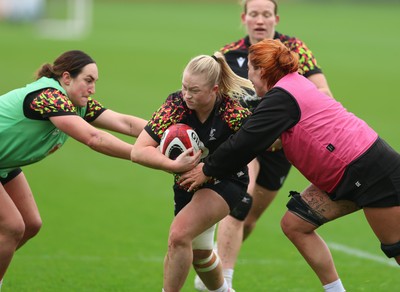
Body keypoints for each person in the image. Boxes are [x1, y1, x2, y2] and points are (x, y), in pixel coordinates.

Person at [179, 39, 400, 292]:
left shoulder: (282, 97)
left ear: (261, 71)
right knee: (295, 225)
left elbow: (245, 143)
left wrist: (206, 170)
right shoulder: (292, 86)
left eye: (250, 69)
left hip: (370, 171)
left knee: (396, 249)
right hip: (345, 174)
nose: (247, 76)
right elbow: (269, 138)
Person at [194, 0, 334, 290]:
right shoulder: (228, 54)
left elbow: (323, 91)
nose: (260, 20)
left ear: (276, 18)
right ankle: (222, 283)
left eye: (266, 14)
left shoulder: (294, 49)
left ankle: (215, 262)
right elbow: (207, 95)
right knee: (239, 202)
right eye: (254, 14)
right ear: (245, 18)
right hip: (244, 141)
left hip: (281, 147)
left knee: (251, 217)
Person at [0, 50, 147, 289]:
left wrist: (168, 131)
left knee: (30, 223)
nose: (92, 89)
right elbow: (94, 138)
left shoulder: (75, 104)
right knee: (12, 226)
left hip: (4, 164)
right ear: (66, 78)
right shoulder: (48, 96)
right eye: (88, 81)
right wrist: (142, 155)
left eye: (95, 83)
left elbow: (125, 123)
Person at [130, 52, 255, 292]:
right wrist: (173, 166)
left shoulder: (233, 113)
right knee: (200, 254)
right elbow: (139, 151)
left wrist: (209, 169)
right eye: (184, 86)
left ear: (214, 90)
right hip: (187, 183)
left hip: (228, 182)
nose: (186, 94)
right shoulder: (175, 105)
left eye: (194, 90)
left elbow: (256, 144)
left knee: (178, 236)